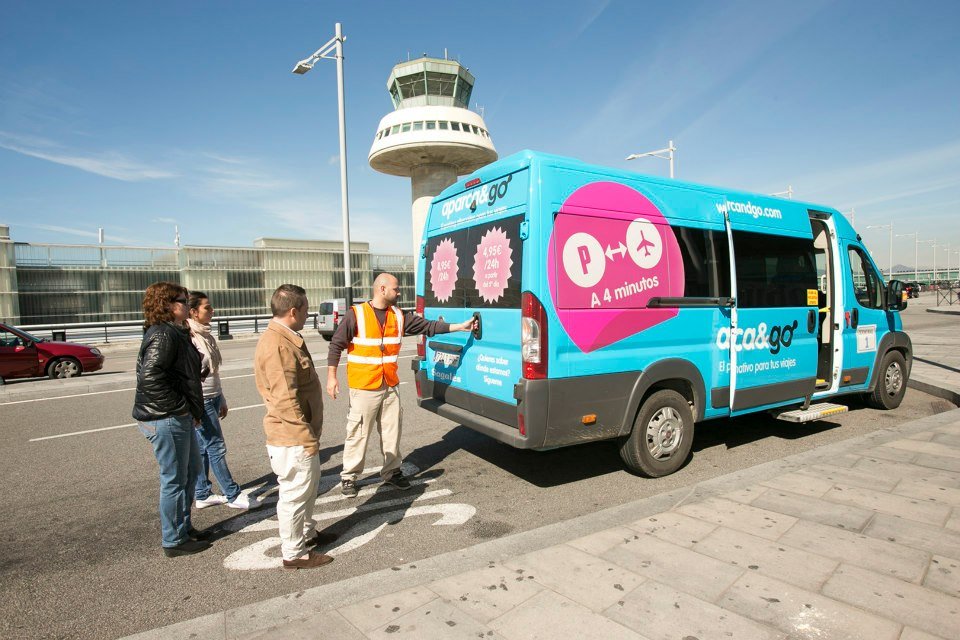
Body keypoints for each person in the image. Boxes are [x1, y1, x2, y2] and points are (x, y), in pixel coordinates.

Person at [327, 273, 475, 498]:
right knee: (358, 432)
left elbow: (429, 326)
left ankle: (392, 472)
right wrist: (331, 377)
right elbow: (336, 345)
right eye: (396, 289)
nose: (399, 293)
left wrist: (460, 327)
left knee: (392, 431)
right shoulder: (356, 314)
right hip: (364, 386)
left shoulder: (398, 315)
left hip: (390, 385)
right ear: (382, 289)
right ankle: (349, 476)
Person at [254, 284, 337, 570]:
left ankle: (308, 533)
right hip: (292, 438)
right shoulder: (277, 345)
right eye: (305, 309)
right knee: (294, 495)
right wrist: (305, 438)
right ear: (293, 311)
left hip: (300, 435)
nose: (307, 314)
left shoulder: (286, 338)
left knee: (308, 489)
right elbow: (285, 399)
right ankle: (294, 553)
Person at [133, 282, 209, 557]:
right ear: (167, 305)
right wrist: (181, 408)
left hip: (175, 415)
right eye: (182, 300)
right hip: (167, 417)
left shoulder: (175, 332)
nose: (188, 305)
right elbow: (150, 377)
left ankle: (184, 527)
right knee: (175, 479)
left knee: (189, 473)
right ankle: (174, 539)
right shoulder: (163, 334)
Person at [187, 292, 256, 511]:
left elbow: (213, 371)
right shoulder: (188, 336)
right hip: (202, 399)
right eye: (207, 308)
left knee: (203, 448)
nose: (212, 311)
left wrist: (222, 397)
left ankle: (202, 493)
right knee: (215, 446)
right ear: (193, 312)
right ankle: (232, 494)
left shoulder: (206, 334)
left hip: (213, 395)